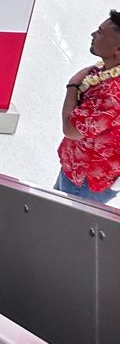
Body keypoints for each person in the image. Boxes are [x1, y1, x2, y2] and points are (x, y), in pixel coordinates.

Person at [55, 11, 120, 205]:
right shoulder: (105, 71)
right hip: (75, 165)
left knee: (62, 222)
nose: (93, 34)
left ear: (117, 49)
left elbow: (71, 129)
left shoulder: (113, 94)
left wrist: (73, 86)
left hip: (86, 180)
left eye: (100, 32)